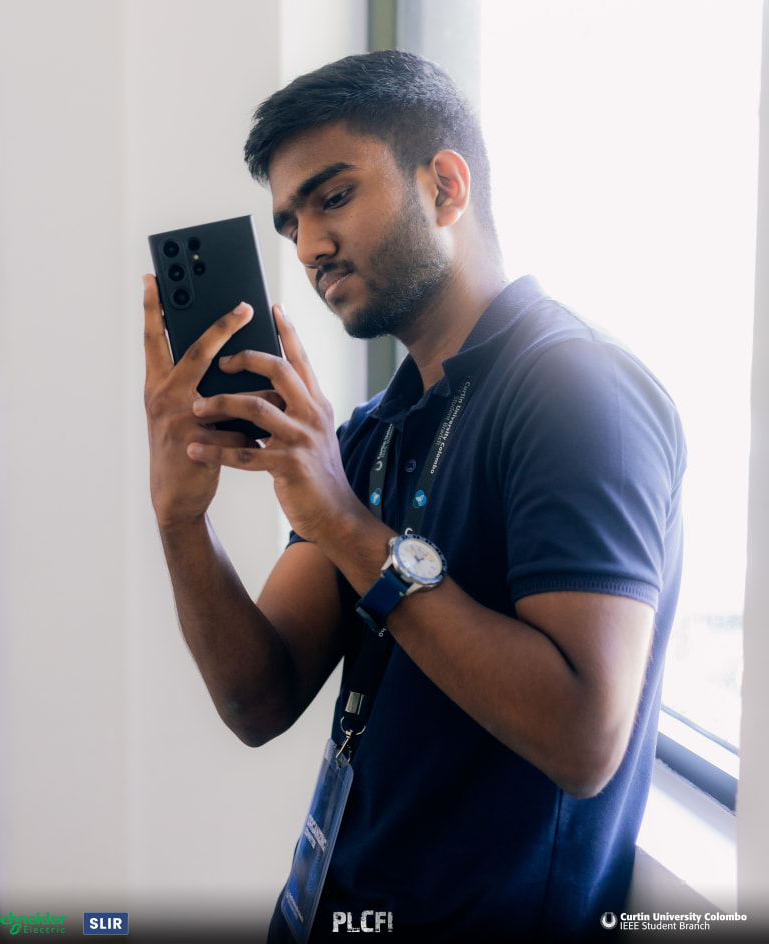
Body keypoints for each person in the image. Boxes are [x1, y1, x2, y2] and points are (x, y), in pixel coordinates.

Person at [143, 51, 685, 942]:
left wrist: (343, 523)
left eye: (333, 196)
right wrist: (180, 521)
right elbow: (259, 699)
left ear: (444, 186)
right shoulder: (371, 429)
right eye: (289, 225)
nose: (309, 247)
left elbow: (585, 740)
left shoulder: (579, 392)